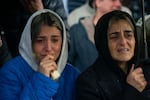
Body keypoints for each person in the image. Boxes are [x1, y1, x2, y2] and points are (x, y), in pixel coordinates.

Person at [0, 9, 79, 100]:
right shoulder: (10, 72)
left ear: (63, 42)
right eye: (40, 41)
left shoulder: (72, 74)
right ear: (30, 42)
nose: (48, 48)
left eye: (55, 40)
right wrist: (42, 79)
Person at [75, 10, 150, 100]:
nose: (123, 42)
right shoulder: (88, 82)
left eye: (128, 35)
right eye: (114, 37)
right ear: (103, 42)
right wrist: (132, 91)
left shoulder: (146, 70)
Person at [0, 0, 68, 57]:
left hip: (49, 63)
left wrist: (40, 14)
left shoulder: (52, 2)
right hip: (14, 64)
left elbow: (66, 42)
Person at [68, 0, 122, 72]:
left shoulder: (124, 34)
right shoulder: (76, 32)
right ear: (98, 2)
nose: (119, 4)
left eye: (120, 1)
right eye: (113, 0)